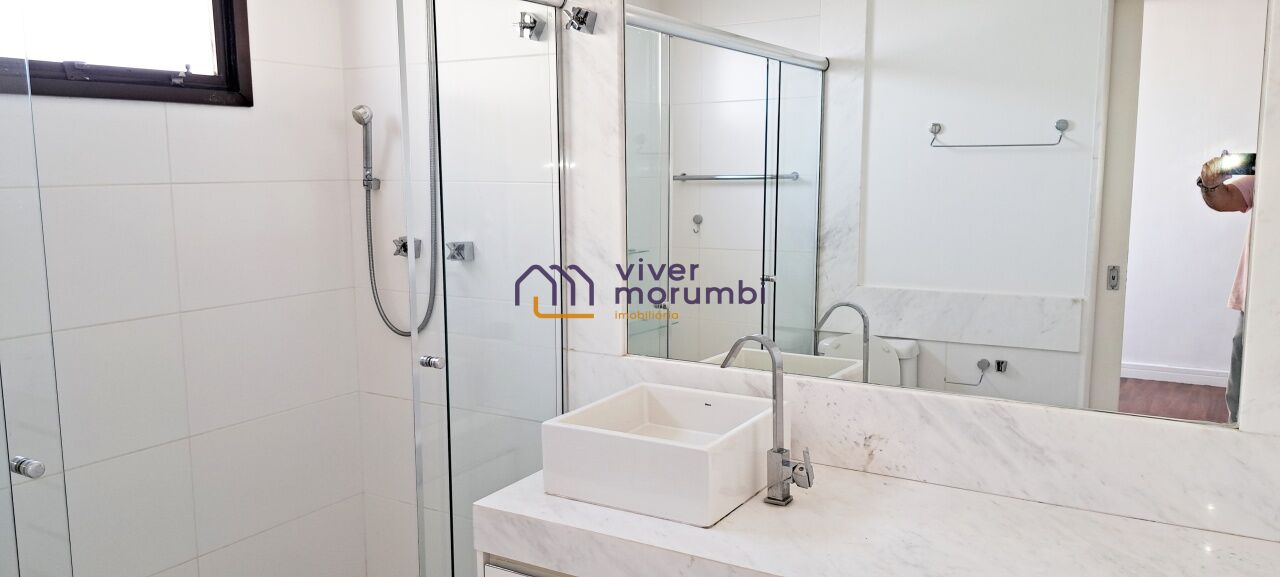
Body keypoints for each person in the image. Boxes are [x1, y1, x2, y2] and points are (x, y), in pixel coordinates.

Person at [1198, 155, 1254, 423]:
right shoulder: (1270, 172)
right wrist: (1210, 184)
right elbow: (1225, 199)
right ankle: (1237, 430)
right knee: (1244, 369)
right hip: (1259, 296)